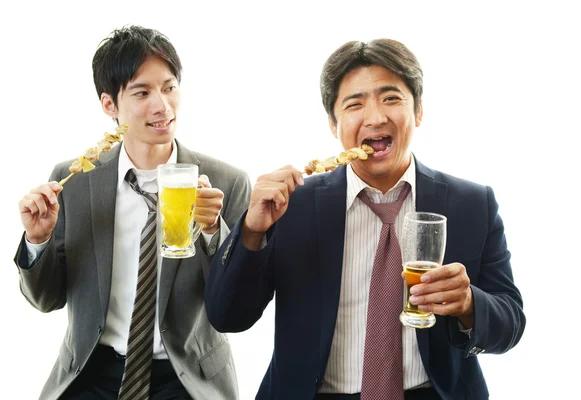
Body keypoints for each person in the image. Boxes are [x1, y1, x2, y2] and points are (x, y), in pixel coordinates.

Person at [205, 38, 525, 400]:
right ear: (333, 123)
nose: (375, 117)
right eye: (355, 104)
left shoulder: (472, 203)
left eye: (391, 98)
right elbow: (227, 316)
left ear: (418, 111)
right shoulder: (292, 205)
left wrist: (469, 303)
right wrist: (251, 229)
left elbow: (510, 321)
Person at [15, 25, 251, 400]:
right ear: (110, 105)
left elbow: (235, 305)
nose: (163, 106)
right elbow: (46, 299)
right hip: (91, 372)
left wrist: (210, 230)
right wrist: (38, 240)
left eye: (169, 87)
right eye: (142, 92)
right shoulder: (72, 180)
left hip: (185, 377)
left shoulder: (227, 182)